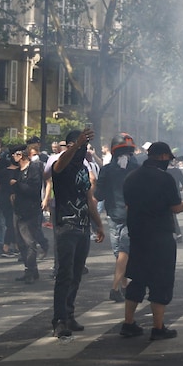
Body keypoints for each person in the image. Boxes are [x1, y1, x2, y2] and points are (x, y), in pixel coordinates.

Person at [119, 142, 183, 340]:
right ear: (164, 156)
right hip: (160, 236)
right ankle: (158, 328)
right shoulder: (165, 179)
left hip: (138, 236)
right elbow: (175, 208)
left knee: (137, 279)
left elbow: (128, 205)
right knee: (161, 281)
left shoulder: (131, 177)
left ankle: (128, 323)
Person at [50, 129, 106, 338]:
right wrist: (75, 145)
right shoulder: (61, 165)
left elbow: (89, 198)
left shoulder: (83, 168)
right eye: (80, 145)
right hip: (66, 226)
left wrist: (98, 224)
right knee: (64, 274)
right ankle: (59, 319)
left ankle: (69, 314)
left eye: (85, 146)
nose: (83, 149)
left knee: (76, 274)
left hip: (82, 227)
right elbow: (59, 165)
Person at [94, 133, 138, 302]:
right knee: (123, 253)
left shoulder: (106, 170)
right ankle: (123, 287)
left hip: (113, 216)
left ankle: (117, 287)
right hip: (130, 216)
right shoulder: (137, 168)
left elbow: (99, 195)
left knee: (120, 252)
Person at [9, 144, 44, 284]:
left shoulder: (33, 168)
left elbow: (33, 190)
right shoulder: (18, 170)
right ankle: (31, 269)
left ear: (20, 155)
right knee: (20, 242)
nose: (12, 157)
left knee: (29, 242)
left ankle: (30, 271)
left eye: (14, 154)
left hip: (30, 211)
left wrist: (16, 185)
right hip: (18, 210)